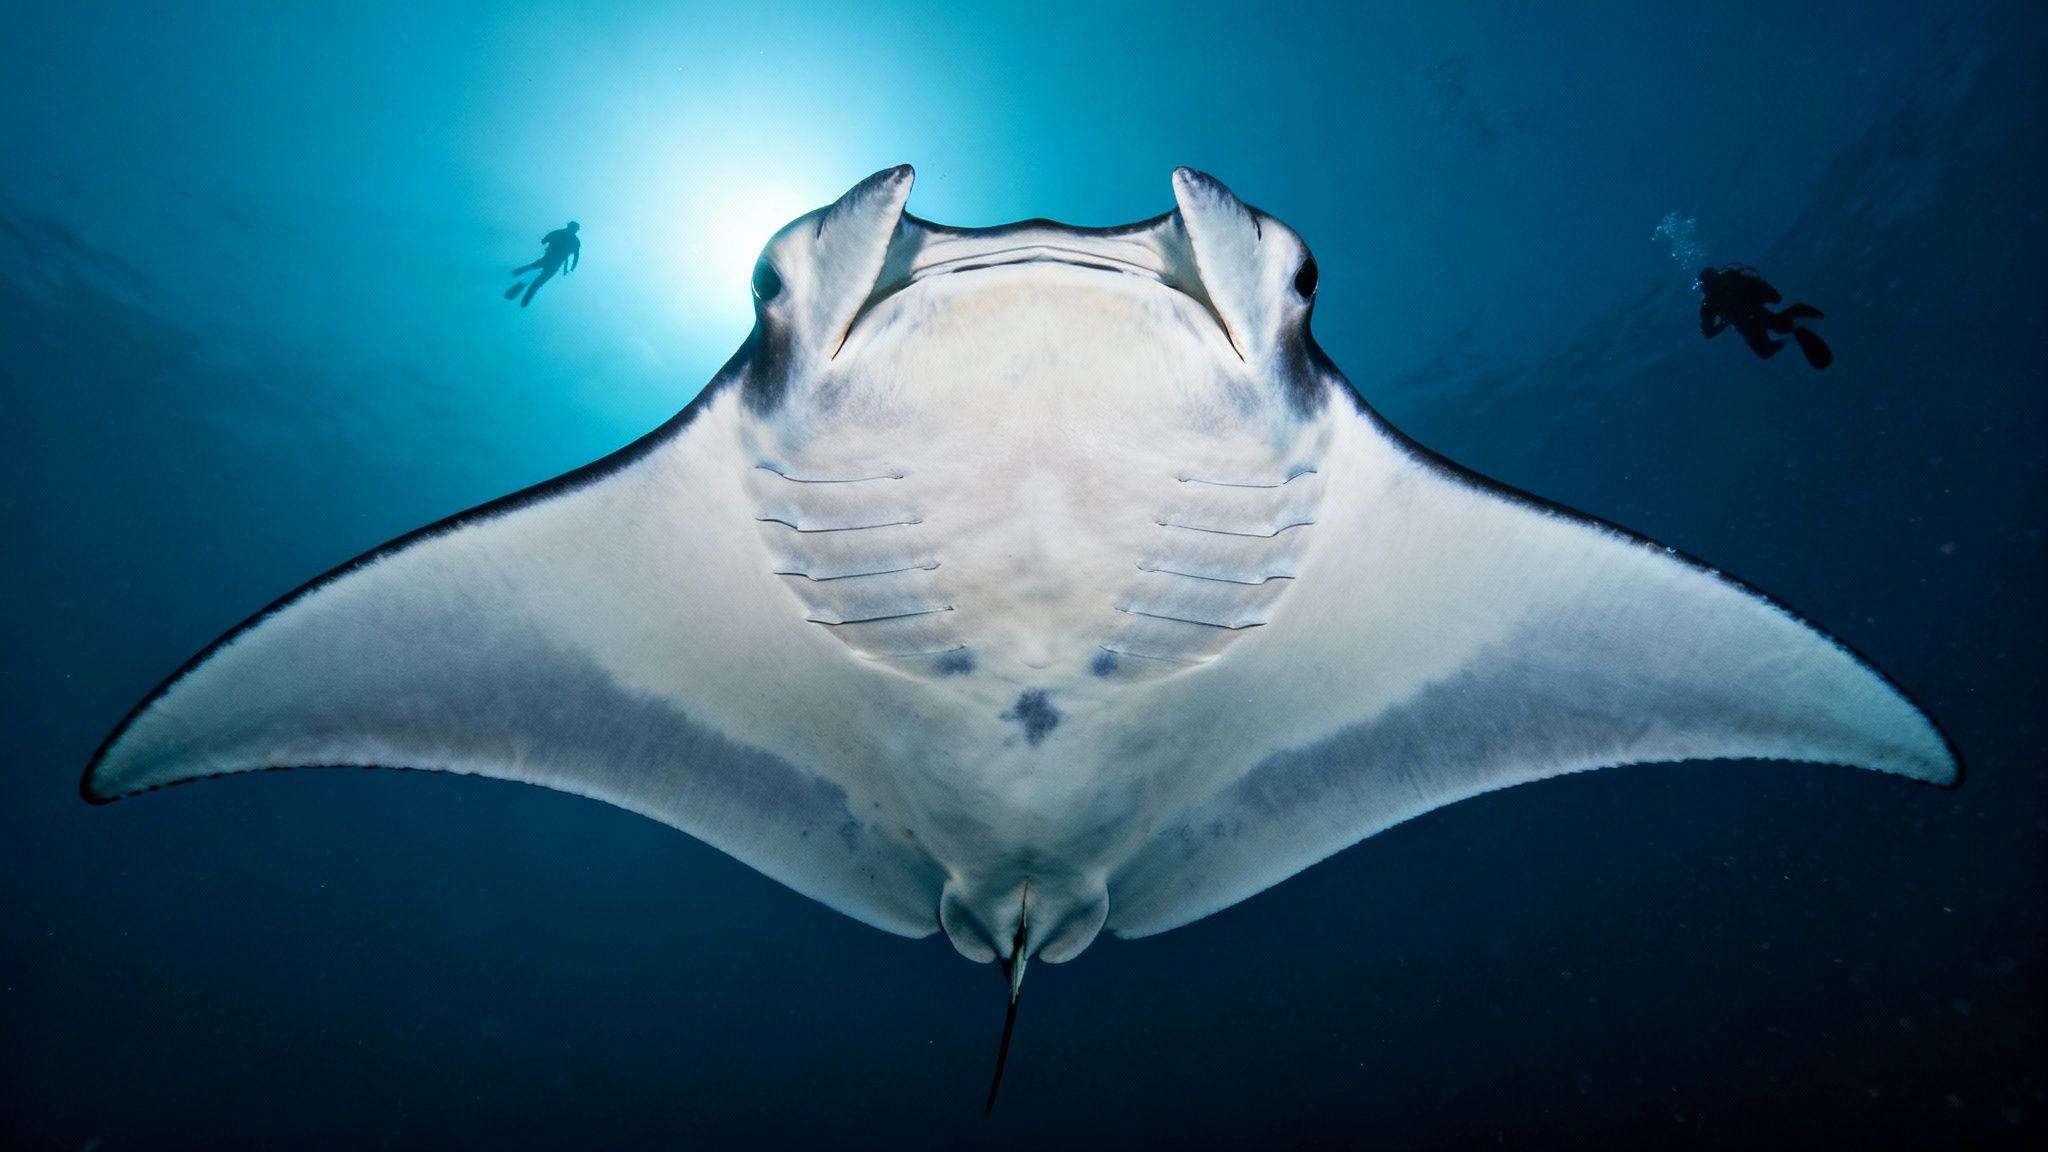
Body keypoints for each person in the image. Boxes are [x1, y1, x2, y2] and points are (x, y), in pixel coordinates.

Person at [1697, 264, 1832, 369]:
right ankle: (1793, 325)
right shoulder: (1733, 279)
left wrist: (1724, 322)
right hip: (1761, 314)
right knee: (1777, 329)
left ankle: (1791, 333)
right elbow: (1774, 295)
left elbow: (1708, 333)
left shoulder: (1709, 303)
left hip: (1747, 326)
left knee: (1765, 351)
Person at [507, 221, 581, 307]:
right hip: (554, 262)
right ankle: (516, 277)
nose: (575, 231)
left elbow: (545, 240)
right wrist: (571, 267)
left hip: (550, 259)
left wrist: (571, 267)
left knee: (533, 269)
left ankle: (514, 274)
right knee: (537, 278)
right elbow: (575, 256)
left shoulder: (561, 233)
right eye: (575, 229)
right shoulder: (574, 240)